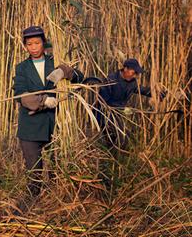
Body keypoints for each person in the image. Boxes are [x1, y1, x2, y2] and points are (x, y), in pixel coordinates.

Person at [14, 26, 83, 199]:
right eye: (29, 44)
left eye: (37, 43)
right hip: (30, 127)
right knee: (34, 171)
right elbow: (20, 95)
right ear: (25, 46)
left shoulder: (55, 61)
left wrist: (65, 71)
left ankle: (57, 199)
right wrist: (43, 101)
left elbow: (80, 77)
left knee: (56, 167)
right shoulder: (22, 68)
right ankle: (32, 201)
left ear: (44, 43)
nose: (34, 47)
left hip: (55, 125)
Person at [96, 58, 162, 149]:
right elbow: (103, 101)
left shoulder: (132, 82)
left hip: (118, 113)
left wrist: (156, 94)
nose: (135, 75)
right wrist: (123, 109)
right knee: (119, 138)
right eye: (134, 72)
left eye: (136, 73)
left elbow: (140, 90)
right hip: (104, 114)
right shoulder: (111, 79)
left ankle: (114, 157)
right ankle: (111, 158)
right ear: (125, 69)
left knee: (124, 139)